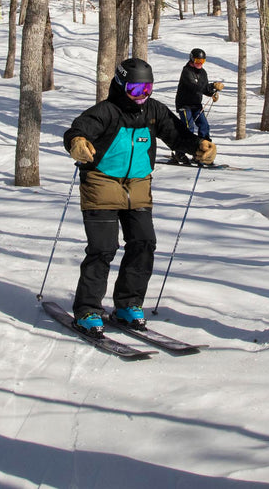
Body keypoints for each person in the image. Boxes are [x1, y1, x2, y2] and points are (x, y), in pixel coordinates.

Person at [63, 57, 217, 337]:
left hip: (138, 186)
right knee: (103, 248)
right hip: (101, 184)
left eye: (147, 90)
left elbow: (176, 133)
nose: (141, 97)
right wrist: (77, 142)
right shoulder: (106, 111)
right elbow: (79, 129)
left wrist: (198, 146)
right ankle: (87, 309)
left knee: (144, 242)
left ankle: (128, 304)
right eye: (136, 90)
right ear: (121, 86)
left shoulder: (154, 111)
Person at [171, 47, 224, 165]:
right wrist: (213, 85)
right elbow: (195, 87)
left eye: (202, 61)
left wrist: (212, 93)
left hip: (196, 104)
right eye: (197, 61)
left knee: (204, 126)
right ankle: (179, 153)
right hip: (184, 104)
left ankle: (203, 153)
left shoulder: (203, 73)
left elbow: (204, 88)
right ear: (191, 60)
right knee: (188, 128)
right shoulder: (186, 71)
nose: (200, 64)